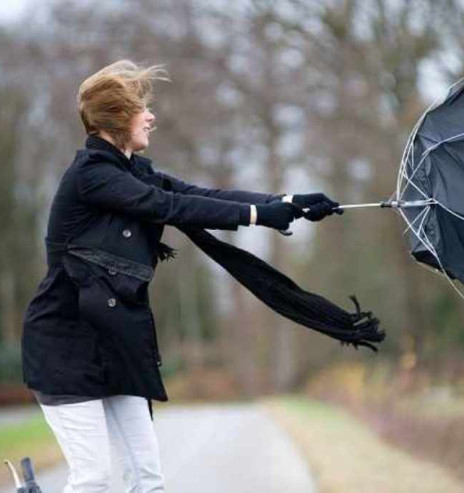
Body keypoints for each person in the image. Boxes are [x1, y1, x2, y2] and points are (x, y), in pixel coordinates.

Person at [20, 59, 341, 493]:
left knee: (147, 480)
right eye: (140, 108)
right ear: (116, 118)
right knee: (93, 480)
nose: (151, 116)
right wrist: (257, 215)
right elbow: (168, 208)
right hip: (66, 346)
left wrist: (287, 201)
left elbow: (198, 195)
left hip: (116, 344)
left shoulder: (134, 171)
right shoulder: (91, 177)